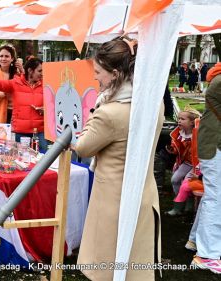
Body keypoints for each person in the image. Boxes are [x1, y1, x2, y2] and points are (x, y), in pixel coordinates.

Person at [73, 36, 162, 280]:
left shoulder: (109, 113)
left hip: (113, 199)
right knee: (135, 263)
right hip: (143, 193)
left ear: (114, 74)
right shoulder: (153, 104)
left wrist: (95, 110)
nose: (95, 77)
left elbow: (83, 147)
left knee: (108, 265)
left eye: (98, 72)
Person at [188, 62, 221, 274]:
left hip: (213, 146)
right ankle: (207, 254)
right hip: (214, 148)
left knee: (213, 195)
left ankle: (195, 240)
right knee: (216, 198)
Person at [0, 57, 47, 152]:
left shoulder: (46, 84)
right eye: (40, 71)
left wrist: (46, 109)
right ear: (30, 71)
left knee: (43, 158)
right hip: (21, 131)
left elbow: (53, 103)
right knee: (22, 160)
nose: (42, 74)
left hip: (40, 131)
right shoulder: (16, 82)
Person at [166, 109, 200, 196]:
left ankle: (189, 203)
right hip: (186, 163)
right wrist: (172, 149)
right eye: (178, 118)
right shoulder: (178, 134)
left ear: (192, 122)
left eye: (182, 119)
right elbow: (177, 148)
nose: (179, 121)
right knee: (175, 179)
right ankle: (179, 202)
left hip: (197, 164)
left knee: (187, 183)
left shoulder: (199, 134)